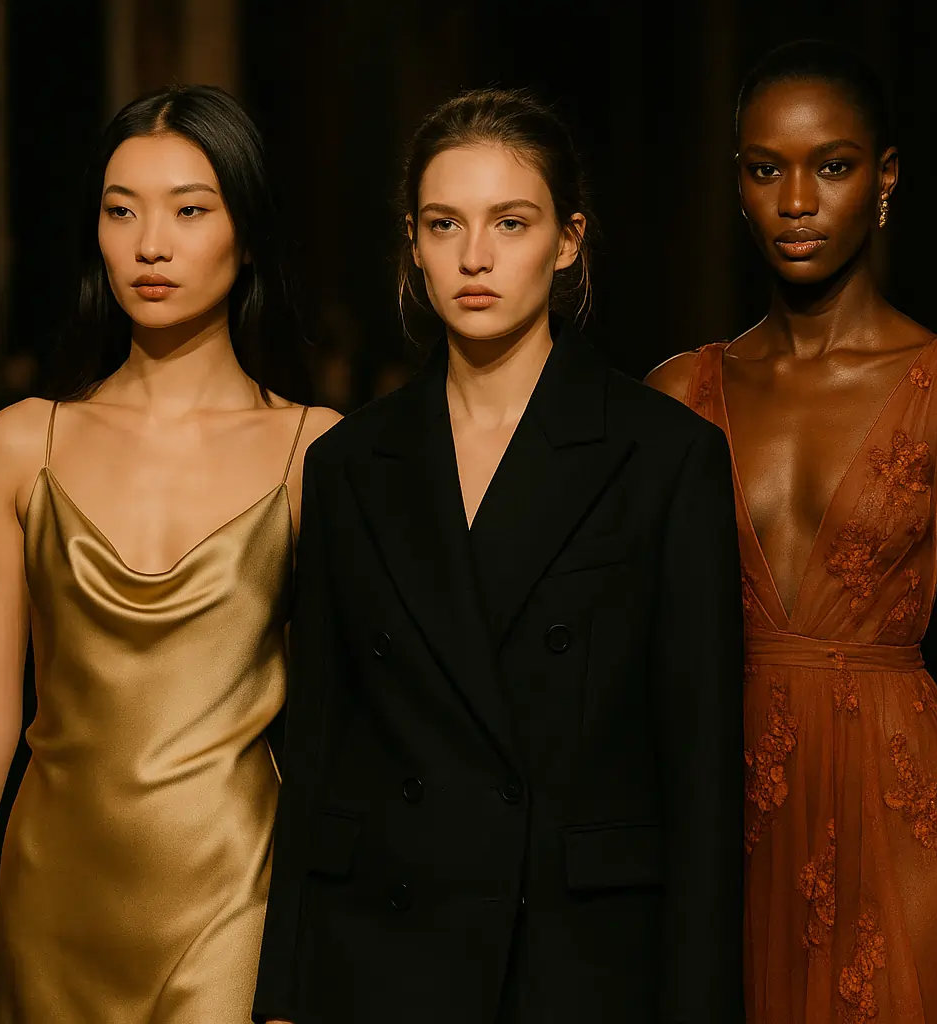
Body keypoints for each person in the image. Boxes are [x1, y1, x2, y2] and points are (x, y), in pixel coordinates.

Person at [253, 88, 744, 1024]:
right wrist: (285, 989)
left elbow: (701, 776)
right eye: (445, 224)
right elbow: (318, 746)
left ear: (567, 240)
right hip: (382, 952)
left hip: (577, 958)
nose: (474, 257)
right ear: (413, 241)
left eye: (509, 223)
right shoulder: (348, 464)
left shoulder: (664, 456)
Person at [649, 40, 937, 1024]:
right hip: (727, 824)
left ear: (886, 176)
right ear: (738, 182)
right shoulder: (678, 394)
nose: (797, 200)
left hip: (906, 819)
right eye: (765, 168)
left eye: (832, 165)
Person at [0, 85, 337, 1022]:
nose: (151, 244)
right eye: (121, 209)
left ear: (246, 233)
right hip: (48, 903)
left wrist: (304, 959)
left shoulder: (315, 453)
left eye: (189, 209)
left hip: (231, 899)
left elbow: (346, 734)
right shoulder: (23, 443)